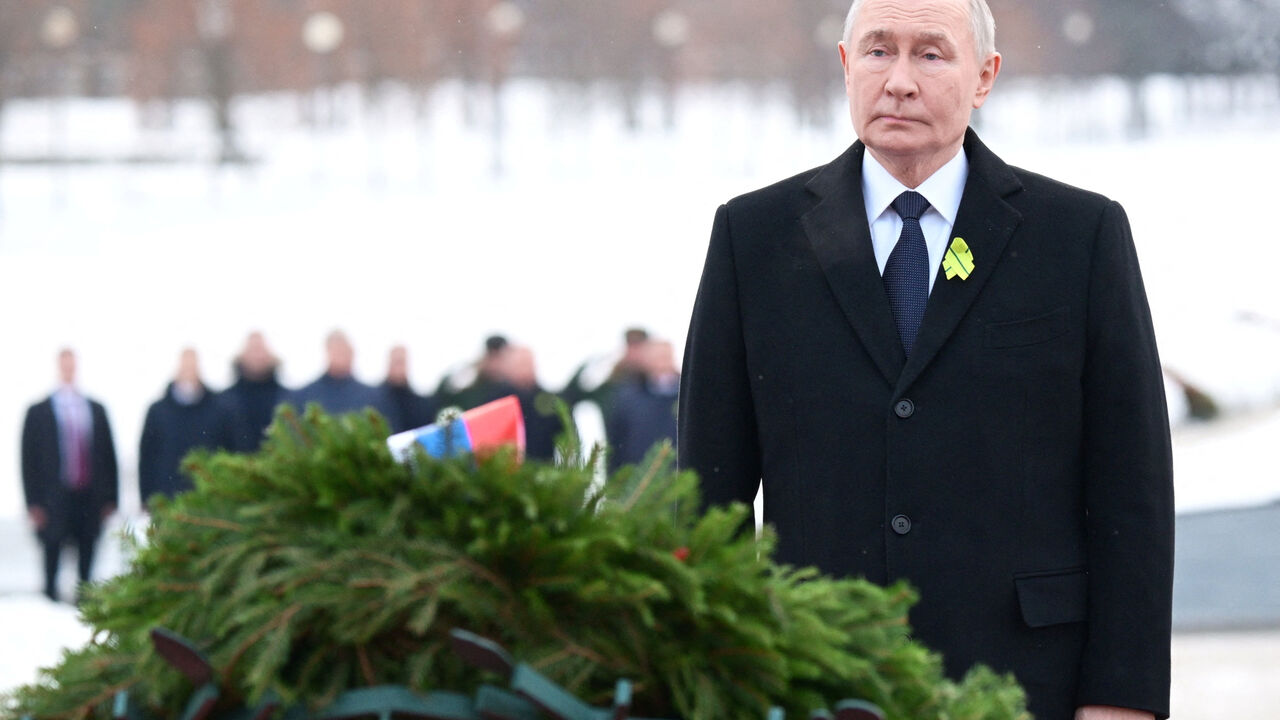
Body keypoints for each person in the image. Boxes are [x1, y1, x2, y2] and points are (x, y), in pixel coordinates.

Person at [677, 2, 1173, 719]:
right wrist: (710, 682)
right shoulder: (752, 239)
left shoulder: (1078, 236)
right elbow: (706, 492)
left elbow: (1133, 486)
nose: (900, 80)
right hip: (816, 678)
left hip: (1027, 680)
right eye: (878, 51)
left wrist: (1121, 698)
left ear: (985, 77)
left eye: (931, 54)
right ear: (846, 65)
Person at [20, 349, 119, 602]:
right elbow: (28, 460)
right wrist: (33, 502)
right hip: (54, 499)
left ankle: (84, 610)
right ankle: (49, 607)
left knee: (87, 563)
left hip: (89, 497)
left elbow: (108, 455)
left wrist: (111, 498)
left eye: (72, 364)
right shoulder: (38, 412)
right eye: (64, 364)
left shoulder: (95, 409)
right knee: (52, 559)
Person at [139, 348, 239, 503]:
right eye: (185, 365)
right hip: (168, 496)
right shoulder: (158, 411)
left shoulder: (220, 409)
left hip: (211, 496)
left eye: (192, 366)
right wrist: (146, 496)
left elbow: (231, 450)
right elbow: (147, 457)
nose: (188, 371)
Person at [605, 339, 679, 473]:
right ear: (647, 361)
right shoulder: (628, 398)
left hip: (678, 474)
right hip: (638, 475)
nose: (662, 363)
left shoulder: (684, 396)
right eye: (657, 358)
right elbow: (616, 441)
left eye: (666, 357)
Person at [291, 330, 394, 419]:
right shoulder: (305, 396)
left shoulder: (373, 397)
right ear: (328, 352)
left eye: (345, 351)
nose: (341, 356)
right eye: (337, 351)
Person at [223, 331, 287, 451]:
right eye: (253, 350)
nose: (257, 356)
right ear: (241, 356)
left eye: (260, 349)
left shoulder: (287, 399)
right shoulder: (223, 402)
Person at [380, 344, 437, 432]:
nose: (398, 368)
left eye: (401, 362)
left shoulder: (422, 405)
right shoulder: (375, 401)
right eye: (396, 362)